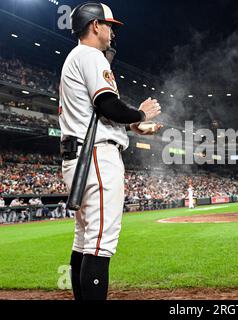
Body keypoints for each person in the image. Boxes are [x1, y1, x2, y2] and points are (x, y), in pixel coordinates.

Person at [59, 2, 162, 301]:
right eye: (109, 26)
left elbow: (97, 114)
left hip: (81, 156)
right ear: (95, 26)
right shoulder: (91, 55)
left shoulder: (76, 58)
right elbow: (108, 105)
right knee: (100, 243)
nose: (112, 32)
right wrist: (140, 115)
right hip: (96, 157)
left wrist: (131, 127)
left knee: (84, 241)